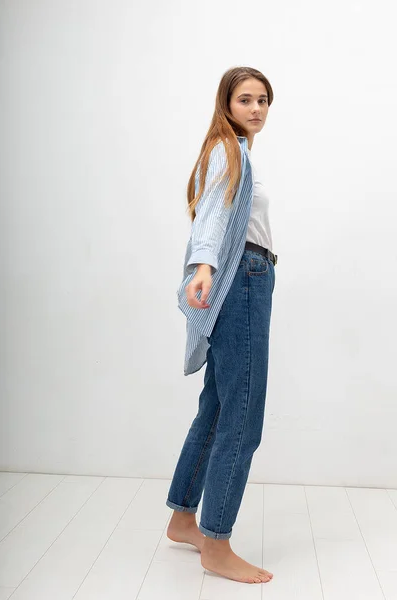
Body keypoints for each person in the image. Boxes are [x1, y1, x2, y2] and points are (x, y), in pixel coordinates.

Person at [166, 66, 277, 585]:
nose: (255, 109)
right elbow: (211, 213)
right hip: (245, 280)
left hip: (247, 278)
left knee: (215, 407)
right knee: (243, 415)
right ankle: (216, 542)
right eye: (245, 99)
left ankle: (184, 518)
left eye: (262, 100)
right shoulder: (226, 149)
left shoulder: (236, 150)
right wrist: (205, 265)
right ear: (226, 104)